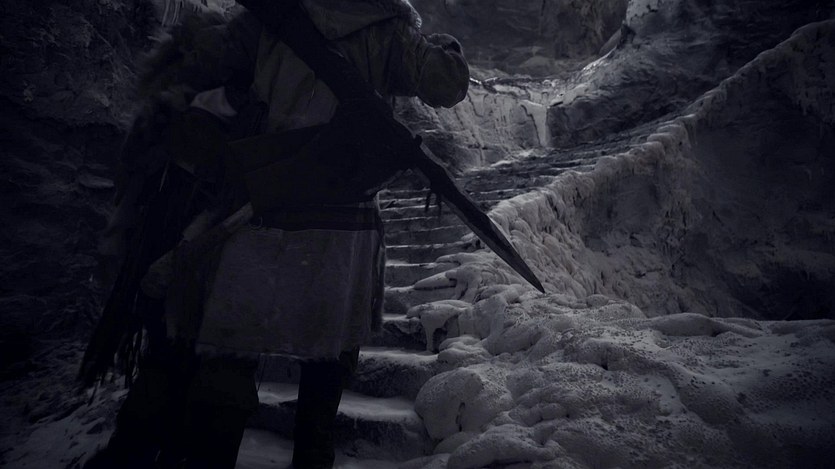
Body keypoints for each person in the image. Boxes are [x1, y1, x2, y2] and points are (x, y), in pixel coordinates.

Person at [84, 1, 468, 468]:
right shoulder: (388, 29)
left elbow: (205, 66)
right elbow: (446, 83)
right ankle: (308, 457)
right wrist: (436, 44)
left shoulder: (267, 16)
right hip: (337, 221)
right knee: (326, 356)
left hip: (265, 205)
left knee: (229, 354)